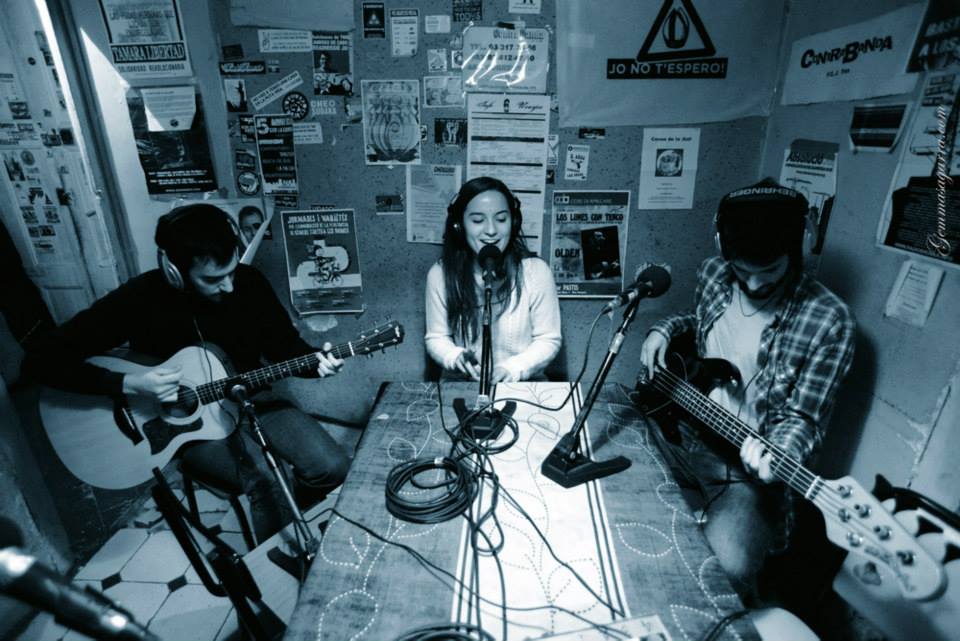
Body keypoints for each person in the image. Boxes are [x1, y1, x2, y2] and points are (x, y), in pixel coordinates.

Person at [22, 204, 351, 541]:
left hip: (253, 400)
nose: (228, 287)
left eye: (231, 271)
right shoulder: (139, 298)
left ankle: (297, 524)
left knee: (333, 467)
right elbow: (41, 360)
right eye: (212, 279)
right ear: (173, 270)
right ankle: (281, 558)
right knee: (268, 482)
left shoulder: (250, 284)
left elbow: (285, 347)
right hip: (185, 427)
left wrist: (317, 363)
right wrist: (129, 383)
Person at [638, 178, 855, 601]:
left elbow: (804, 419)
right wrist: (663, 329)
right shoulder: (713, 271)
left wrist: (779, 455)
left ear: (799, 248)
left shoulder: (830, 320)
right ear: (722, 247)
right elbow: (699, 321)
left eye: (770, 271)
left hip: (747, 470)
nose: (754, 286)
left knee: (725, 570)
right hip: (684, 431)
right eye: (743, 271)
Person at [425, 176, 561, 382]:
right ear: (459, 226)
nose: (491, 230)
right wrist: (454, 356)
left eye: (501, 219)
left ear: (514, 222)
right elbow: (436, 336)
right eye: (477, 220)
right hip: (463, 384)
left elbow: (548, 339)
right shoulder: (440, 274)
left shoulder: (536, 272)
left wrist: (513, 368)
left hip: (522, 385)